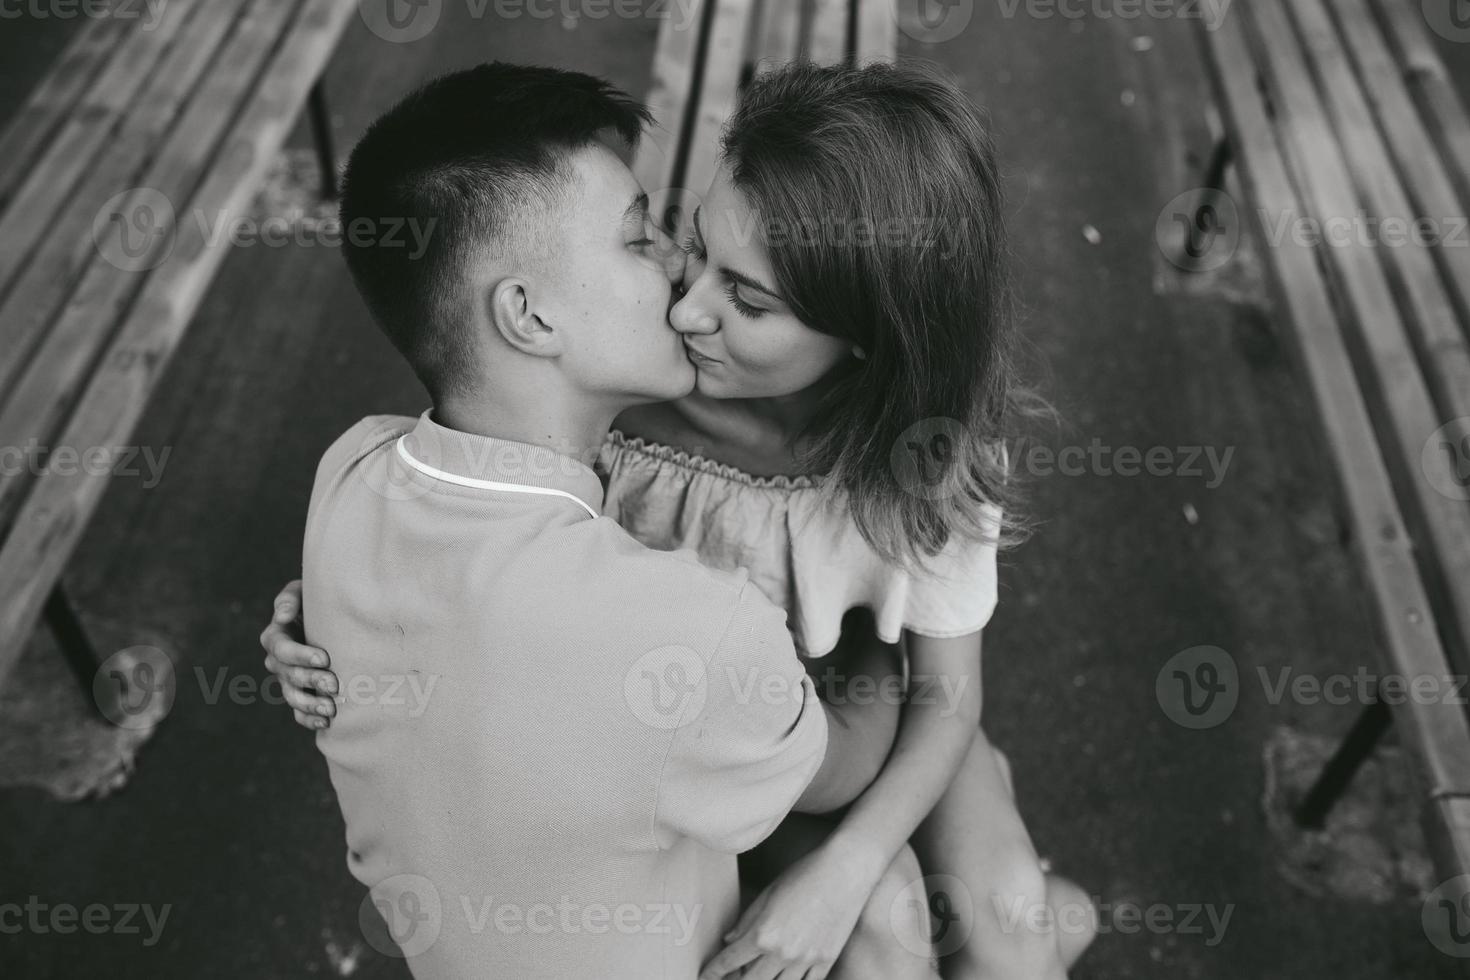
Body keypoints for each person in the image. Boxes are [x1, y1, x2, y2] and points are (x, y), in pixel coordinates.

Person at [265, 61, 1098, 979]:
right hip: (713, 728)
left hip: (867, 706)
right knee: (893, 932)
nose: (689, 303)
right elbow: (477, 499)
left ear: (867, 332)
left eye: (746, 300)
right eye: (686, 240)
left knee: (1013, 935)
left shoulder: (927, 459)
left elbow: (946, 698)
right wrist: (338, 621)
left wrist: (847, 863)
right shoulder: (626, 390)